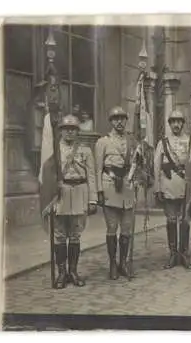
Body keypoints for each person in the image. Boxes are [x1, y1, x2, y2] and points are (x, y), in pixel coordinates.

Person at [53, 114, 97, 289]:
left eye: (73, 129)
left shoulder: (85, 150)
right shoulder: (54, 150)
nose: (69, 132)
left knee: (76, 235)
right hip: (60, 193)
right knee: (60, 235)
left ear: (77, 131)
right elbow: (46, 176)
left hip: (80, 192)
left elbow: (91, 176)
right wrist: (47, 199)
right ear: (61, 131)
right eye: (66, 129)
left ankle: (73, 271)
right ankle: (62, 273)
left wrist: (92, 199)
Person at [95, 106, 139, 280]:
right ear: (111, 121)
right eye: (116, 119)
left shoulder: (132, 141)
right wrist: (98, 191)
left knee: (126, 229)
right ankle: (113, 264)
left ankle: (123, 263)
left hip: (127, 187)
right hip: (110, 187)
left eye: (122, 118)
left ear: (126, 120)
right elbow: (98, 169)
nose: (119, 122)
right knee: (112, 228)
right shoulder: (103, 142)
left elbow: (136, 164)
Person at [154, 110, 191, 269]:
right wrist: (157, 188)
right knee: (171, 220)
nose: (176, 124)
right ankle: (173, 254)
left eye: (179, 121)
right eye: (173, 121)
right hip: (168, 185)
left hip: (186, 185)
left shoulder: (190, 141)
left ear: (183, 123)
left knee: (185, 221)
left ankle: (184, 254)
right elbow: (156, 166)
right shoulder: (162, 143)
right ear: (169, 124)